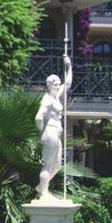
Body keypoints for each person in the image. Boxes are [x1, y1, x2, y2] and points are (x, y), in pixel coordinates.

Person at [34, 55, 72, 199]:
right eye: (55, 83)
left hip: (56, 132)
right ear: (49, 85)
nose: (58, 85)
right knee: (49, 165)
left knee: (58, 166)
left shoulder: (56, 96)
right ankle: (44, 194)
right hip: (50, 131)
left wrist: (69, 66)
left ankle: (41, 187)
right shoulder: (47, 100)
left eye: (58, 83)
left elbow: (67, 84)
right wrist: (42, 130)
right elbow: (38, 117)